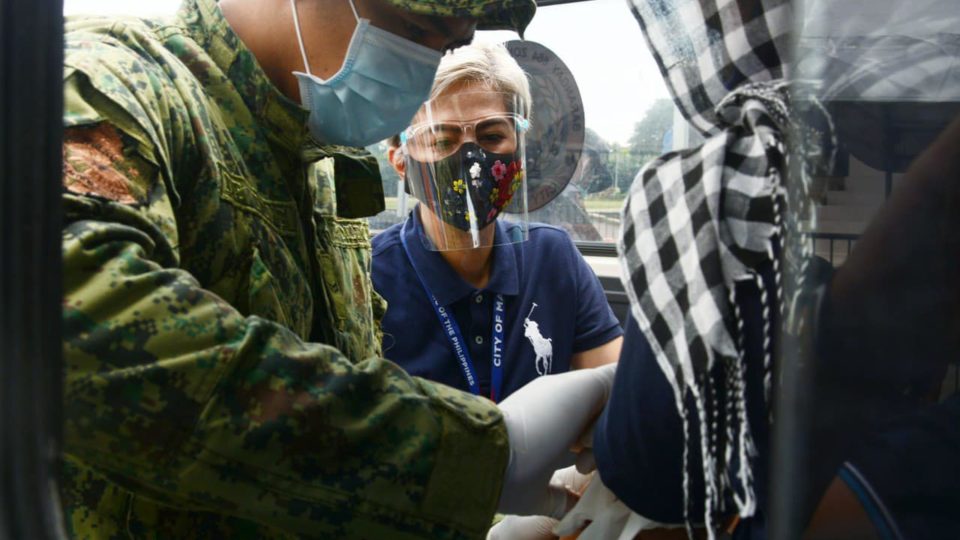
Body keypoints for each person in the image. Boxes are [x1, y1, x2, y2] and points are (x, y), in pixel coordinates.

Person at [60, 0, 620, 537]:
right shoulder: (115, 83)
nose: (424, 69)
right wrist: (475, 456)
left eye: (450, 41)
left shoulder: (318, 168)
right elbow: (74, 332)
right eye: (416, 27)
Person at [372, 42, 623, 405]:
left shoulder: (551, 257)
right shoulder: (370, 276)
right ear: (400, 162)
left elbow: (622, 395)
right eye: (443, 139)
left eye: (492, 137)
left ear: (519, 148)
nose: (473, 160)